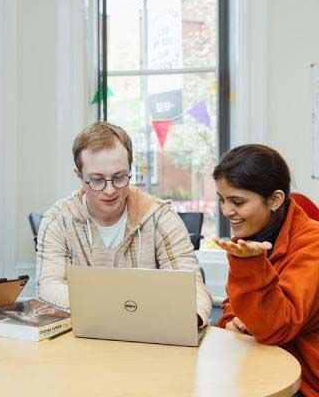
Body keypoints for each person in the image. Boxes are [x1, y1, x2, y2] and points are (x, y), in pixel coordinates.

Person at [37, 121, 212, 326]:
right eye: (97, 180)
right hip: (83, 339)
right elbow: (48, 287)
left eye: (119, 177)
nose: (110, 190)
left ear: (130, 168)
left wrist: (190, 316)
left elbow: (192, 287)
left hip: (150, 336)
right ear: (79, 175)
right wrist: (116, 306)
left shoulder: (160, 217)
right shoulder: (58, 220)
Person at [212, 144, 319, 397]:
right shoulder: (251, 237)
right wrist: (230, 323)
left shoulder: (313, 244)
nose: (227, 211)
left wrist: (248, 265)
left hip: (304, 382)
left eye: (237, 201)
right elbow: (232, 305)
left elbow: (279, 326)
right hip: (261, 367)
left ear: (275, 199)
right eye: (222, 200)